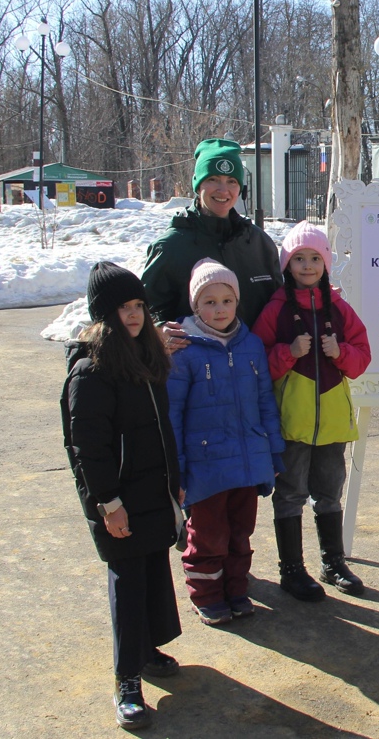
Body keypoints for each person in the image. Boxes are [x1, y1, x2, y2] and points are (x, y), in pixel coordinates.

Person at [61, 262, 183, 731]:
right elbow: (87, 448)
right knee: (128, 580)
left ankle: (146, 648)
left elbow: (161, 429)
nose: (133, 316)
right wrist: (108, 504)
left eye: (138, 306)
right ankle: (126, 680)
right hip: (118, 500)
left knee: (152, 569)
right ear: (102, 315)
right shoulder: (92, 372)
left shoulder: (147, 358)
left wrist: (174, 480)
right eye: (121, 308)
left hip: (153, 489)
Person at [253, 221, 372, 600]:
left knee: (329, 493)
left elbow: (361, 358)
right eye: (299, 258)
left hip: (334, 423)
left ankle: (333, 562)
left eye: (315, 258)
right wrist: (289, 353)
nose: (307, 265)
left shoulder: (339, 307)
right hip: (292, 423)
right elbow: (257, 364)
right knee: (290, 494)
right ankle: (291, 569)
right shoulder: (275, 308)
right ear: (287, 264)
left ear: (326, 263)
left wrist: (341, 352)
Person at [166, 259, 287, 626]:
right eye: (209, 301)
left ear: (237, 302)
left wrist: (274, 452)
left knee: (240, 532)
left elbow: (265, 401)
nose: (219, 309)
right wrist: (178, 471)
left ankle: (236, 589)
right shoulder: (184, 351)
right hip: (206, 467)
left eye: (226, 300)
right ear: (194, 306)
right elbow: (173, 413)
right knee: (208, 536)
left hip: (248, 461)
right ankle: (207, 595)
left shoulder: (250, 345)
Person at [142, 138, 282, 345]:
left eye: (231, 181)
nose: (223, 190)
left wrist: (317, 290)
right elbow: (146, 310)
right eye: (213, 179)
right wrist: (159, 331)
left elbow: (281, 303)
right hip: (195, 372)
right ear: (198, 185)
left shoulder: (259, 243)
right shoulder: (171, 247)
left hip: (256, 369)